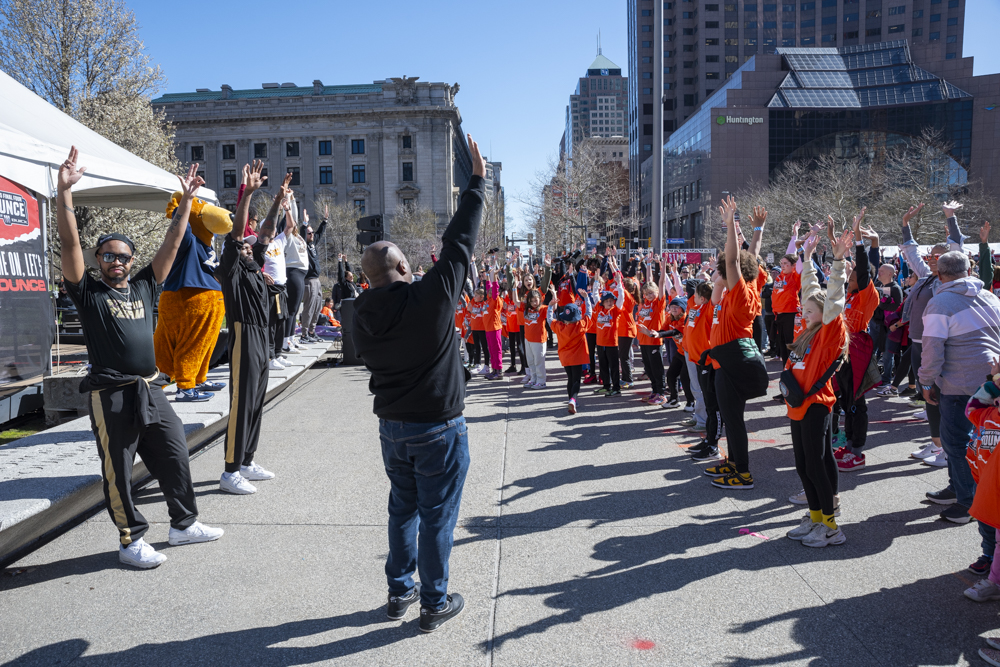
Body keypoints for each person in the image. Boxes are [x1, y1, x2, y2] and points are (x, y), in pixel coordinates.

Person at [57, 146, 223, 569]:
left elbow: (172, 243)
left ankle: (184, 524)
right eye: (108, 255)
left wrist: (186, 203)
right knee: (119, 469)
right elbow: (70, 242)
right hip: (111, 393)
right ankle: (130, 540)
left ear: (132, 261)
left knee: (175, 452)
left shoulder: (146, 286)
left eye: (123, 256)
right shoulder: (89, 292)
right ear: (98, 260)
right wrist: (65, 193)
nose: (117, 261)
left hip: (151, 388)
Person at [351, 132, 486, 633]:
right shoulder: (430, 301)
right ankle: (433, 601)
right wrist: (477, 183)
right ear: (405, 267)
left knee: (402, 510)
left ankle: (398, 591)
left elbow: (455, 248)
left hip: (393, 429)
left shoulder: (359, 316)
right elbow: (460, 243)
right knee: (436, 516)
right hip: (438, 429)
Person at [919, 249, 1000, 524]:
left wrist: (926, 380)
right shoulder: (989, 296)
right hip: (990, 379)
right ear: (969, 270)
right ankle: (958, 489)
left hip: (959, 383)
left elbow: (932, 349)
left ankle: (968, 502)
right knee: (969, 442)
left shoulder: (940, 303)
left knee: (955, 442)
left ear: (940, 275)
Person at [783, 228, 852, 548]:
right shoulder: (805, 329)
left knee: (815, 465)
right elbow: (810, 290)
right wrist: (807, 257)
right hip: (797, 405)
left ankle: (831, 527)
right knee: (803, 465)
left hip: (816, 405)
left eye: (810, 311)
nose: (804, 312)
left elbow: (833, 296)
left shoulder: (828, 331)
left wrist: (837, 263)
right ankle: (814, 518)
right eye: (804, 310)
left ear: (826, 316)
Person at [214, 161, 275, 495]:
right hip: (244, 334)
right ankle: (230, 471)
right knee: (242, 402)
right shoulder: (232, 269)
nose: (250, 246)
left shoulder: (254, 269)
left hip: (262, 336)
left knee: (256, 401)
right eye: (244, 246)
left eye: (251, 246)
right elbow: (237, 235)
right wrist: (247, 194)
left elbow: (266, 233)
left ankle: (247, 461)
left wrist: (278, 201)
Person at [701, 199, 768, 490]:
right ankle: (733, 462)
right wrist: (757, 230)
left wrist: (730, 225)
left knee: (733, 419)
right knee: (732, 418)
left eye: (722, 271)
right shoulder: (749, 285)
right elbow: (751, 256)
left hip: (732, 362)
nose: (720, 272)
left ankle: (743, 473)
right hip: (726, 360)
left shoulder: (741, 293)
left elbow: (734, 261)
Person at [833, 209, 881, 472]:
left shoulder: (866, 295)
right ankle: (849, 444)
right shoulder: (849, 297)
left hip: (857, 352)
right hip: (844, 352)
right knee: (846, 401)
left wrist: (861, 241)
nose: (849, 278)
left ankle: (858, 453)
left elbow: (863, 271)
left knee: (856, 403)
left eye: (852, 277)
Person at [254, 175, 293, 371]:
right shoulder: (259, 245)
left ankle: (277, 353)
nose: (271, 232)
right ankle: (269, 357)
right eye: (268, 230)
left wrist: (287, 208)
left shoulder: (278, 241)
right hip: (269, 290)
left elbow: (291, 226)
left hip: (281, 287)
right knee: (270, 324)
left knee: (281, 323)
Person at [548, 290, 594, 414]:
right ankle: (573, 399)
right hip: (577, 358)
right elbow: (589, 313)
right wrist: (586, 299)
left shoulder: (559, 327)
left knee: (570, 378)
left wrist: (550, 306)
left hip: (565, 358)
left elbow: (549, 319)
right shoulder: (580, 326)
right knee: (576, 380)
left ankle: (571, 400)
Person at [278, 198, 308, 354]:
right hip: (293, 271)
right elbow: (290, 218)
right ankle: (285, 342)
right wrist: (289, 202)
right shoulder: (287, 236)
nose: (294, 222)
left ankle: (291, 338)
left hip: (301, 274)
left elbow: (294, 218)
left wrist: (294, 199)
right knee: (291, 309)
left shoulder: (298, 237)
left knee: (295, 309)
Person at [593, 263, 626, 397]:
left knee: (614, 366)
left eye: (612, 300)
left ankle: (616, 387)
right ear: (603, 302)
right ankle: (606, 386)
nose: (610, 302)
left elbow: (621, 298)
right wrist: (596, 282)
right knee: (603, 365)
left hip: (612, 343)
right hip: (600, 343)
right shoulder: (599, 309)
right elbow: (595, 296)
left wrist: (619, 284)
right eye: (607, 301)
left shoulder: (615, 311)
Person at [300, 208, 328, 342]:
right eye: (309, 233)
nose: (312, 235)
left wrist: (325, 220)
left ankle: (312, 331)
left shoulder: (313, 244)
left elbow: (320, 233)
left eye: (312, 232)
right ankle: (304, 334)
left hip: (317, 280)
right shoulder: (303, 245)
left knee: (317, 307)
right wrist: (304, 224)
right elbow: (301, 235)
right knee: (309, 308)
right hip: (309, 281)